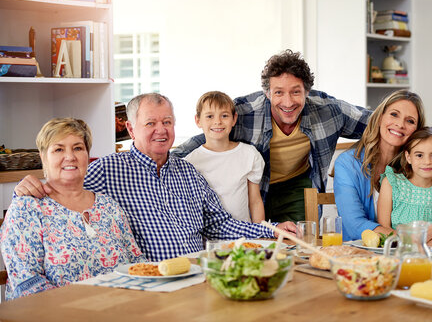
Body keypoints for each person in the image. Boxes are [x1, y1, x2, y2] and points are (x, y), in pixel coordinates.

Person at [14, 93, 296, 262]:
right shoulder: (106, 170)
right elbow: (63, 192)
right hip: (147, 281)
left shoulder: (188, 171)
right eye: (150, 123)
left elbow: (219, 224)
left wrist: (271, 231)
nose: (161, 130)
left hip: (197, 276)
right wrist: (25, 188)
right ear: (131, 128)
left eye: (167, 122)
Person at [173, 50, 371, 222]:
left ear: (307, 92)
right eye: (278, 92)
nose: (287, 102)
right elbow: (200, 142)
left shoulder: (329, 110)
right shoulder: (244, 113)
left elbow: (379, 123)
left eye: (296, 92)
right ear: (267, 93)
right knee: (257, 247)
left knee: (293, 243)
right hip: (252, 187)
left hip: (296, 185)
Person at [1, 118, 145, 300]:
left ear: (87, 155)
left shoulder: (109, 206)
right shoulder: (26, 209)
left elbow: (137, 262)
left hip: (120, 309)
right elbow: (27, 283)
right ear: (43, 157)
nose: (70, 157)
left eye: (78, 148)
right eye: (59, 149)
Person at [333, 90, 432, 246]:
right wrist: (411, 239)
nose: (400, 124)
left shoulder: (422, 164)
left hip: (414, 255)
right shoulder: (348, 164)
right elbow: (354, 225)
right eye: (394, 114)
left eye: (410, 121)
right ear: (379, 118)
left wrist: (429, 234)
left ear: (417, 131)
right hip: (361, 255)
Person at [185, 91, 265, 223]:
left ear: (234, 119)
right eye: (210, 116)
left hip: (244, 237)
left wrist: (261, 236)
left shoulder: (249, 154)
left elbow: (255, 202)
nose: (217, 122)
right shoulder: (190, 162)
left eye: (224, 116)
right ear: (198, 121)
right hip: (209, 239)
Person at [377, 127, 432, 229]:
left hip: (427, 244)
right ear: (408, 157)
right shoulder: (392, 183)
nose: (427, 162)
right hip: (395, 244)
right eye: (419, 155)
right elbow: (384, 228)